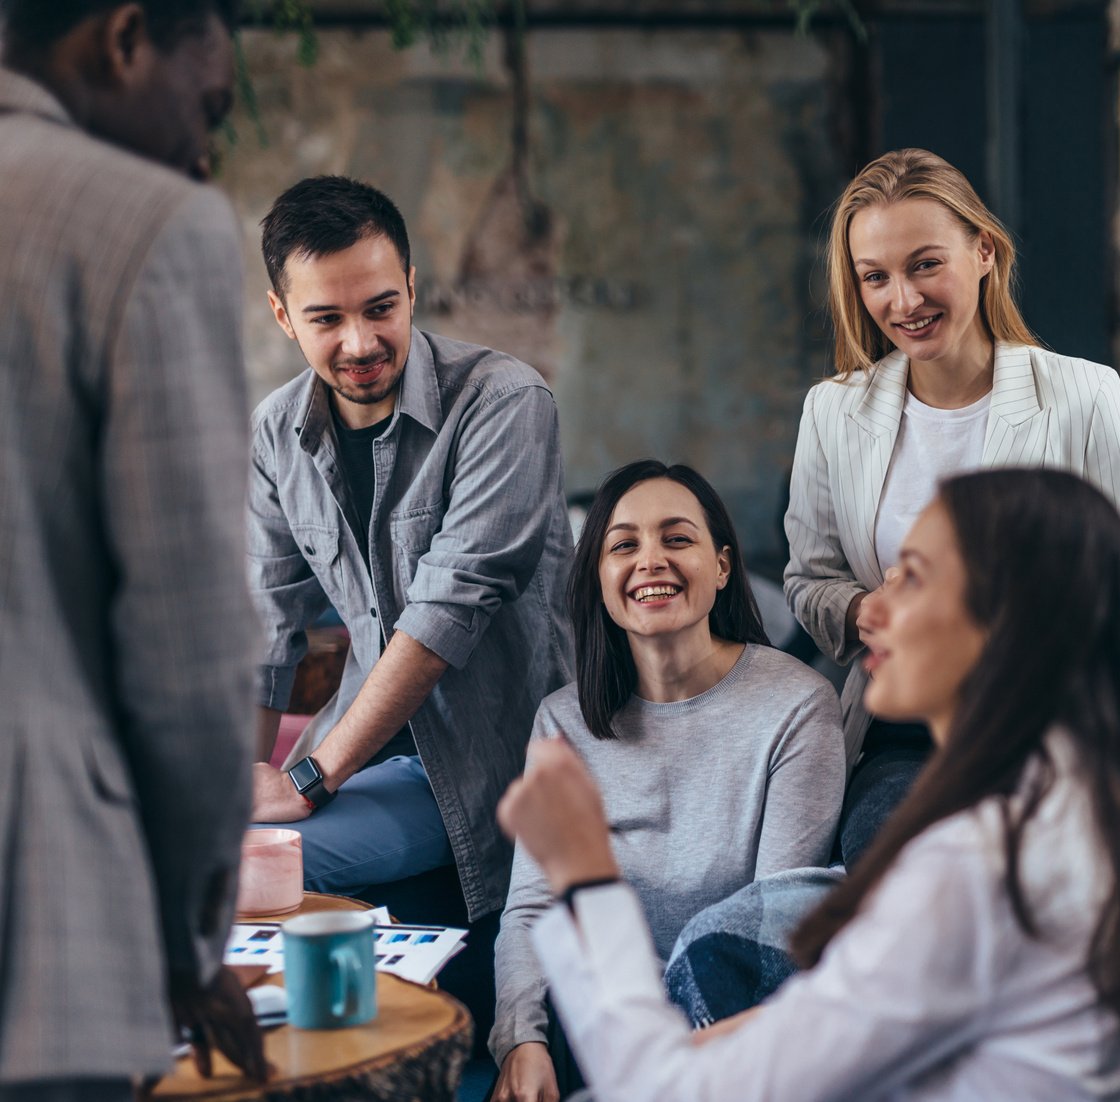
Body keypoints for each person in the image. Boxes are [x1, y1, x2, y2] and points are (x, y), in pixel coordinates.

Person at [498, 467, 1120, 1102]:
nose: (869, 614)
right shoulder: (1076, 800)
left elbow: (663, 1083)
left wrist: (586, 876)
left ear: (1003, 620)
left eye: (910, 578)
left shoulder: (977, 869)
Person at [0, 0, 270, 1096]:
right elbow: (192, 651)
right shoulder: (145, 223)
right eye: (207, 103)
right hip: (43, 924)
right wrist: (189, 943)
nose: (202, 148)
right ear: (122, 39)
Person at [783, 148, 1120, 861]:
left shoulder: (1084, 396)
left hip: (1054, 722)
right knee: (899, 860)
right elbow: (809, 578)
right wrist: (859, 610)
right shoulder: (834, 413)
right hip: (905, 735)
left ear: (983, 251)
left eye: (925, 264)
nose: (903, 300)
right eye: (876, 277)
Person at [246, 174, 575, 923]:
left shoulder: (503, 402)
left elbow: (442, 615)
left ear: (412, 287)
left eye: (380, 308)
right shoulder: (275, 432)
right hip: (355, 766)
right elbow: (262, 630)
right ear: (282, 316)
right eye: (326, 318)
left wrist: (305, 781)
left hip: (489, 767)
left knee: (242, 870)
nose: (360, 343)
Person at [492, 460, 845, 1102]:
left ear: (722, 566)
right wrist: (522, 1039)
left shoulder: (797, 705)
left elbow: (763, 934)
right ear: (599, 579)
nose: (650, 560)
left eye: (677, 538)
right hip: (590, 1025)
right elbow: (531, 908)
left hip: (723, 1036)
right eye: (623, 545)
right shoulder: (562, 720)